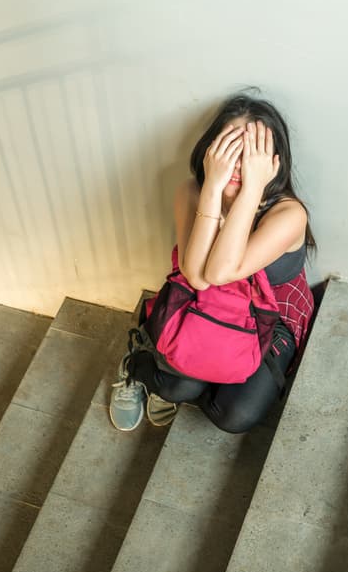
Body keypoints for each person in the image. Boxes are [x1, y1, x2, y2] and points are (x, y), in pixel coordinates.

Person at [110, 92, 317, 434]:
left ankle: (207, 375)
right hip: (204, 301)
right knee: (179, 386)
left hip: (271, 314)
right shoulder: (192, 191)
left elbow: (221, 271)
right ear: (212, 149)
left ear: (272, 161)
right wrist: (212, 187)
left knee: (235, 416)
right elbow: (199, 277)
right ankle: (138, 367)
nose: (239, 164)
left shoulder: (288, 214)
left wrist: (252, 189)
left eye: (252, 154)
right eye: (231, 149)